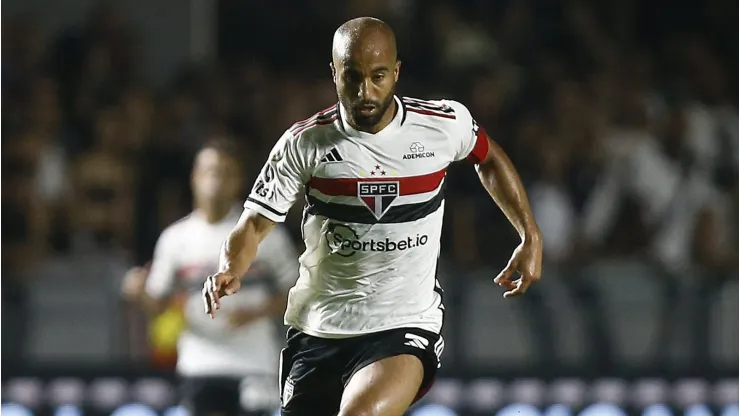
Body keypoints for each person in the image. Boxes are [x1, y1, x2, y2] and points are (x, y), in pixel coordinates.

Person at [203, 17, 543, 416]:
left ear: (397, 72)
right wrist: (231, 267)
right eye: (353, 77)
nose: (366, 91)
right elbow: (254, 223)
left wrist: (529, 233)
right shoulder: (305, 143)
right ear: (333, 74)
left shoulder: (440, 125)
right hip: (319, 328)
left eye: (379, 76)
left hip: (403, 324)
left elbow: (488, 158)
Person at [122, 139, 299, 416]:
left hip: (254, 361)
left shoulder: (263, 232)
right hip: (200, 361)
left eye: (226, 172)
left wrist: (257, 311)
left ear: (238, 180)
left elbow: (297, 290)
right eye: (211, 171)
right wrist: (139, 292)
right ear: (195, 177)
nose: (217, 180)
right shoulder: (175, 239)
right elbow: (158, 304)